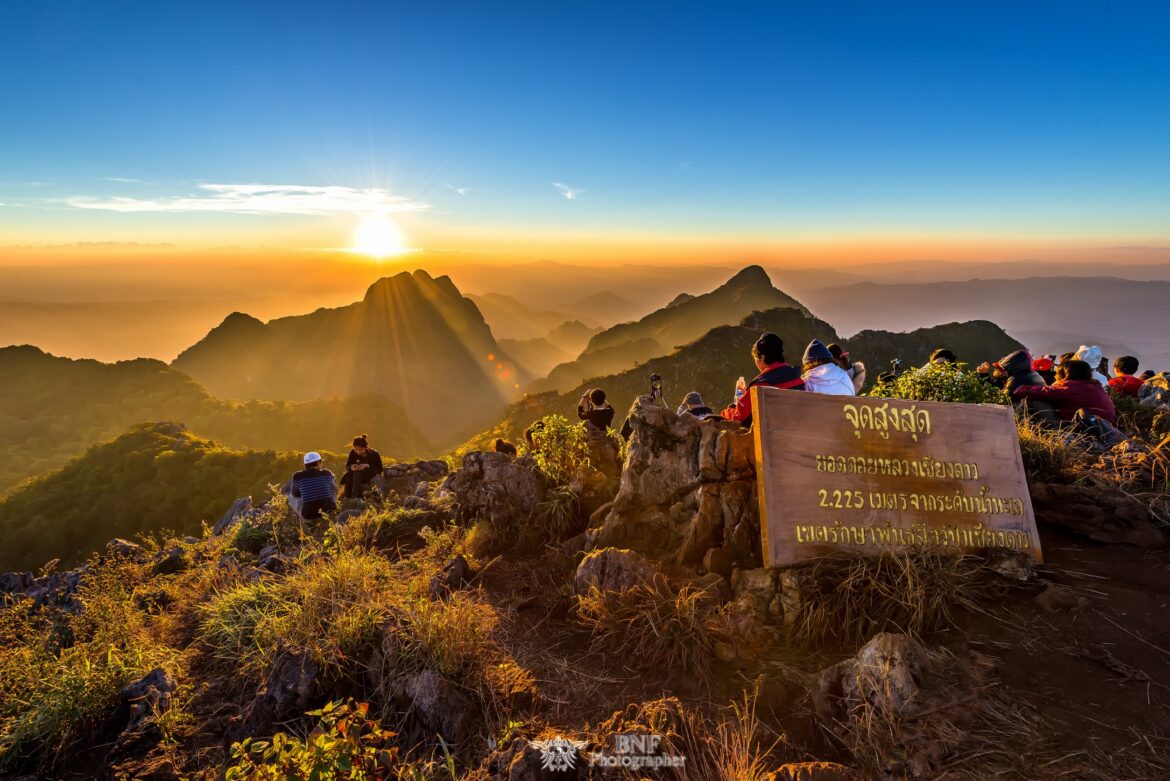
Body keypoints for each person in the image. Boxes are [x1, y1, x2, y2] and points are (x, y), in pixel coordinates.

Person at [721, 332, 804, 426]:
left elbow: (739, 417)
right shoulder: (798, 379)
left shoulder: (760, 386)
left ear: (762, 358)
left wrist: (724, 412)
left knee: (730, 409)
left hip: (770, 437)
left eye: (756, 358)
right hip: (797, 431)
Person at [1013, 359, 1117, 424]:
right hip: (1104, 430)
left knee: (1035, 400)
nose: (1055, 376)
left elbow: (1020, 390)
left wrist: (1054, 385)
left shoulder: (1069, 387)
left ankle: (1020, 425)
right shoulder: (1095, 385)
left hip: (1083, 431)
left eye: (1058, 374)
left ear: (1065, 374)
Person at [290, 452, 338, 520]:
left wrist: (307, 492)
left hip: (308, 514)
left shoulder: (297, 476)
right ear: (319, 462)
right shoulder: (326, 473)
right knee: (332, 484)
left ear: (305, 464)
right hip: (328, 510)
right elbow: (333, 483)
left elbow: (294, 493)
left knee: (294, 496)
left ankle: (298, 519)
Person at [340, 435, 383, 500]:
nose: (358, 452)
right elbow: (348, 466)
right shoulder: (353, 453)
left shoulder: (374, 454)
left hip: (368, 474)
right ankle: (347, 496)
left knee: (357, 473)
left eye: (361, 450)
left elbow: (380, 469)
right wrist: (351, 467)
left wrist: (367, 466)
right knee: (350, 474)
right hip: (354, 475)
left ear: (365, 447)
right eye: (356, 449)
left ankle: (355, 496)